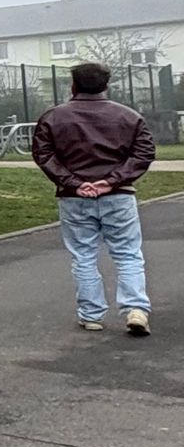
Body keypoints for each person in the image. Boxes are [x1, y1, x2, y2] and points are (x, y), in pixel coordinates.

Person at [31, 62, 154, 333]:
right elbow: (143, 153)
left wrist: (74, 183)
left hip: (73, 197)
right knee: (128, 254)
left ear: (73, 86)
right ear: (106, 86)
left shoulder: (53, 117)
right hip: (119, 196)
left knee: (84, 255)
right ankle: (135, 308)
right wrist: (112, 181)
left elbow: (44, 154)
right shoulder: (129, 117)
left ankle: (91, 314)